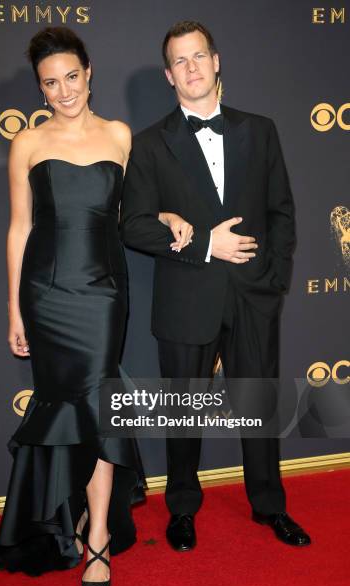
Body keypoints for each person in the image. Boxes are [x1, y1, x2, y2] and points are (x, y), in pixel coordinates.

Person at [121, 20, 310, 552]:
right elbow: (133, 225)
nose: (191, 68)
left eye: (198, 56)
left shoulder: (261, 129)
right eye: (179, 61)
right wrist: (206, 243)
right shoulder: (150, 145)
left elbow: (282, 213)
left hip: (253, 296)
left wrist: (271, 285)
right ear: (168, 75)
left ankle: (270, 505)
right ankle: (182, 508)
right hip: (186, 299)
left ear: (217, 60)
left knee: (259, 406)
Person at [0, 26, 145, 586]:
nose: (63, 91)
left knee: (102, 408)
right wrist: (13, 308)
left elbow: (135, 216)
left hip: (104, 292)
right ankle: (63, 519)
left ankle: (98, 535)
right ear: (39, 88)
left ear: (89, 73)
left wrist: (175, 222)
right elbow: (18, 229)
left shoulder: (120, 135)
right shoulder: (27, 144)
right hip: (47, 294)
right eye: (50, 83)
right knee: (63, 410)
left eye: (71, 78)